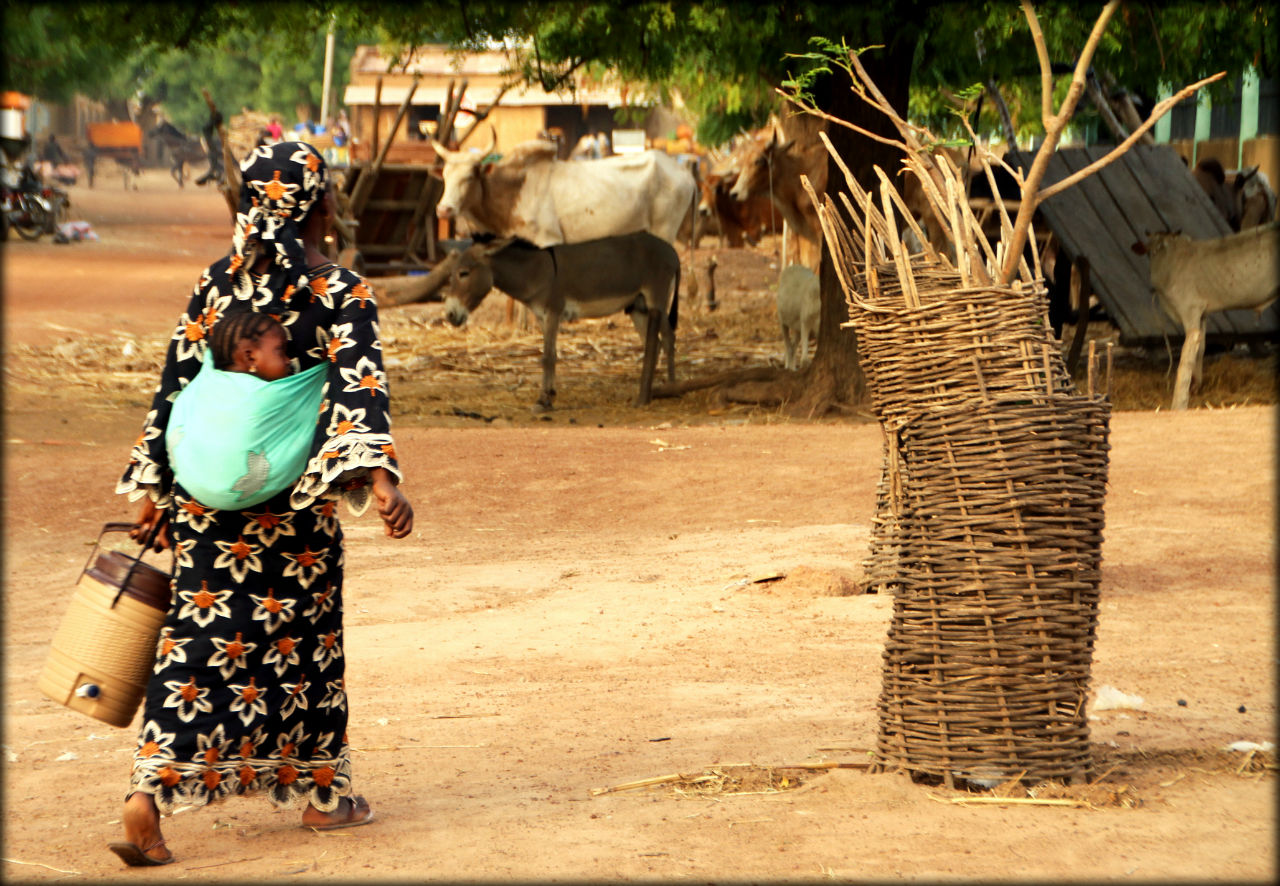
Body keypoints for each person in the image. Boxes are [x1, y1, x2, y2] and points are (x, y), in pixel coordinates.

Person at [111, 140, 413, 867]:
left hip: (205, 509)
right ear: (323, 206)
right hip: (294, 512)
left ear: (246, 204)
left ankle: (150, 791)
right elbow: (358, 388)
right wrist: (380, 479)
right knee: (304, 650)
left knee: (197, 645)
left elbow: (175, 391)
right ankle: (323, 797)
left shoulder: (214, 287)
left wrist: (154, 486)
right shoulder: (341, 291)